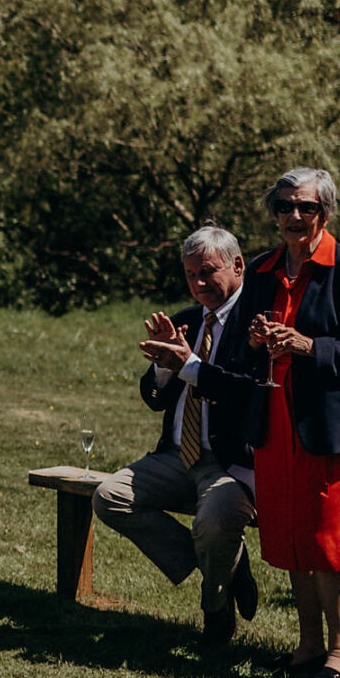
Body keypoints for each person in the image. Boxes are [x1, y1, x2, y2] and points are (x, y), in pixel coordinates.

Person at [234, 167, 340, 678]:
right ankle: (306, 647)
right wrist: (259, 341)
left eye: (305, 207)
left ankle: (339, 657)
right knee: (291, 539)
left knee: (328, 544)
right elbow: (241, 349)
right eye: (284, 206)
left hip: (336, 428)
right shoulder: (261, 270)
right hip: (277, 424)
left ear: (324, 211)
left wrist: (308, 347)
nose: (294, 216)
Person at [92, 225, 259, 648]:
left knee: (214, 520)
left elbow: (247, 395)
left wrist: (189, 366)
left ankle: (214, 611)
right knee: (109, 497)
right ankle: (225, 565)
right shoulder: (185, 321)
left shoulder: (256, 323)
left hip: (232, 462)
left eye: (208, 272)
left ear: (238, 265)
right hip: (176, 456)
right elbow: (153, 398)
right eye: (190, 275)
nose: (199, 283)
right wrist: (165, 367)